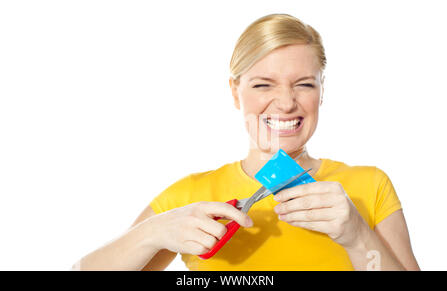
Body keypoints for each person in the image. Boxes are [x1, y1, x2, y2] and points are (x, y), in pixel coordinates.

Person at [73, 13, 420, 271]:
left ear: (321, 92)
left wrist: (358, 236)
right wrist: (151, 234)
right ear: (235, 93)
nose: (285, 103)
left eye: (304, 84)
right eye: (262, 85)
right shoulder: (189, 196)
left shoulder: (368, 186)